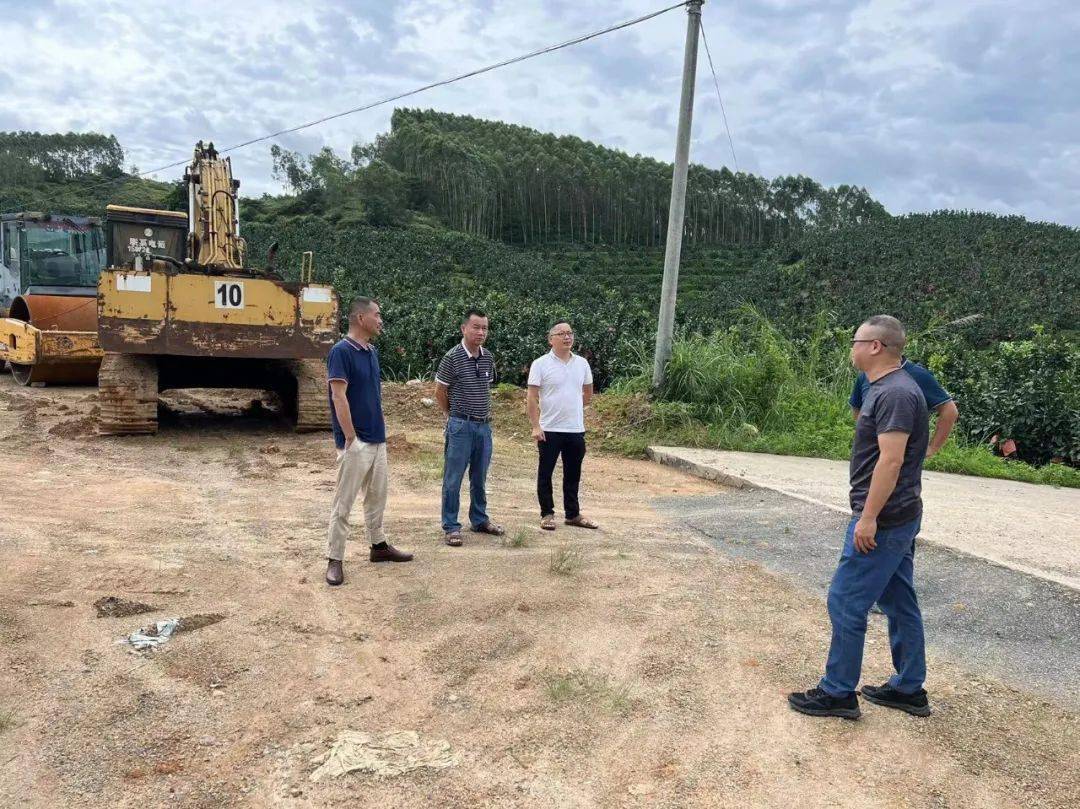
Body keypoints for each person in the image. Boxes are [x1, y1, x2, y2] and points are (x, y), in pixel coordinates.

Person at [789, 315, 932, 720]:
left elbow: (891, 460)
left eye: (856, 340)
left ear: (875, 347)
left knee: (846, 600)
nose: (851, 347)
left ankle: (837, 693)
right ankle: (909, 688)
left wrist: (868, 518)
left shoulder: (896, 394)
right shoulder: (883, 387)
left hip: (885, 520)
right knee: (898, 598)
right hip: (899, 515)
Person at [325, 297, 413, 586]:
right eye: (377, 315)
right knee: (344, 502)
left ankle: (379, 547)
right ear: (361, 318)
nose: (380, 320)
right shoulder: (341, 352)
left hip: (377, 439)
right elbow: (339, 396)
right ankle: (335, 559)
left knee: (377, 498)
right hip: (357, 441)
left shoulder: (371, 351)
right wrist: (350, 437)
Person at [435, 309, 504, 546]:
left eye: (485, 327)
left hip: (483, 427)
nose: (481, 332)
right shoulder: (452, 357)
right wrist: (451, 415)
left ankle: (479, 519)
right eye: (476, 327)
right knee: (453, 478)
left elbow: (485, 388)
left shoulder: (488, 357)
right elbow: (440, 391)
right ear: (464, 328)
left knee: (480, 476)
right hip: (460, 426)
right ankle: (451, 526)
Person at [526, 322, 599, 531]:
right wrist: (535, 425)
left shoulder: (582, 363)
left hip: (575, 429)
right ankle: (547, 513)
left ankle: (573, 514)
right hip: (549, 429)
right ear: (551, 339)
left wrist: (573, 408)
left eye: (570, 333)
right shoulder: (540, 364)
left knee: (573, 473)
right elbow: (531, 397)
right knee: (545, 472)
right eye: (561, 334)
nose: (567, 337)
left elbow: (587, 394)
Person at [850, 359, 959, 458]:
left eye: (857, 342)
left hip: (904, 460)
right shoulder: (866, 375)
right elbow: (858, 410)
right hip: (870, 455)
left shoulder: (918, 375)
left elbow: (949, 410)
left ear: (876, 346)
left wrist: (932, 448)